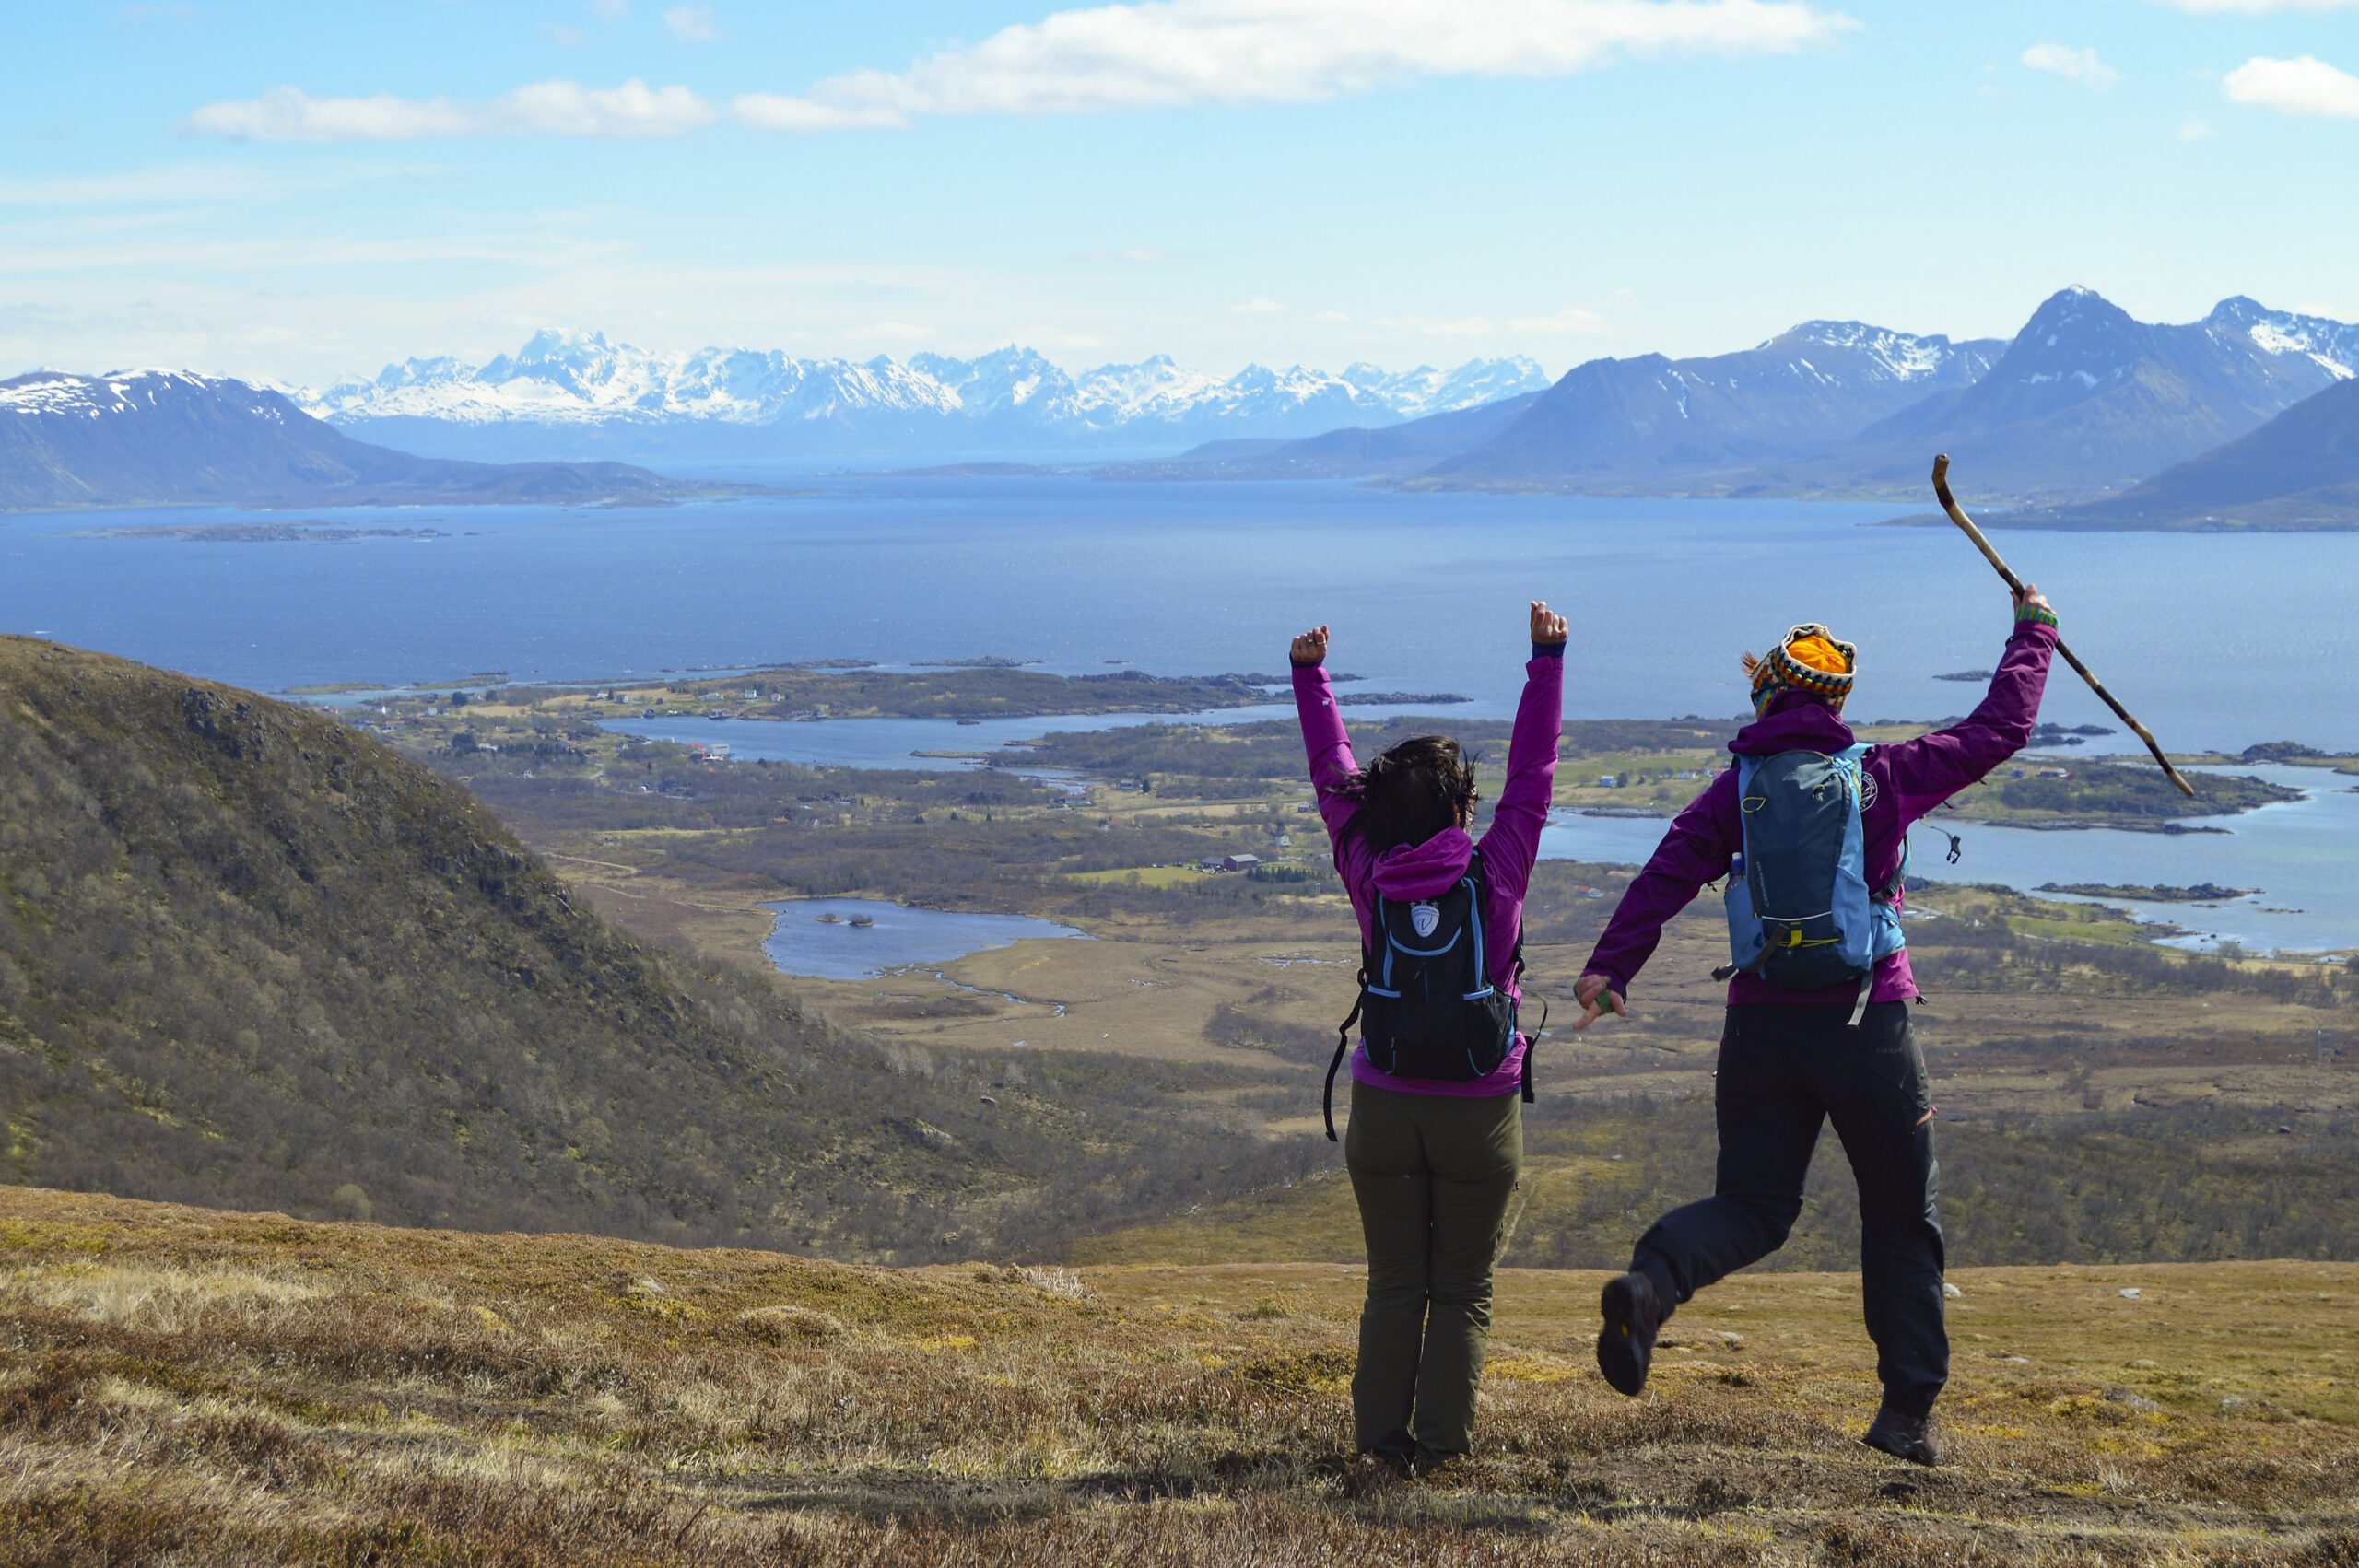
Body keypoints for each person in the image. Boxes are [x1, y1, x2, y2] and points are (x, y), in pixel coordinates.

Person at [1571, 584, 2060, 1467]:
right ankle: (1906, 1415)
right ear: (1836, 704)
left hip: (1760, 1030)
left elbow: (1664, 877)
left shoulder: (1736, 790)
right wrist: (2034, 630)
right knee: (1901, 1217)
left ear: (1766, 695)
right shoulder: (1881, 775)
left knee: (1753, 1206)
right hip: (1867, 1027)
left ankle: (1651, 1284)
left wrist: (1611, 971)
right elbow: (2001, 730)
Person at [1289, 601, 1565, 1476]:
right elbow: (1535, 772)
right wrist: (1546, 661)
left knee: (1394, 1286)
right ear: (1463, 810)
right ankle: (1441, 1456)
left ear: (1380, 815)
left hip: (1385, 1103)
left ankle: (1378, 1448)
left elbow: (1332, 780)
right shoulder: (1499, 868)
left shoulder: (1367, 870)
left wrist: (1311, 677)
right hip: (1481, 1111)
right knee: (1462, 1294)